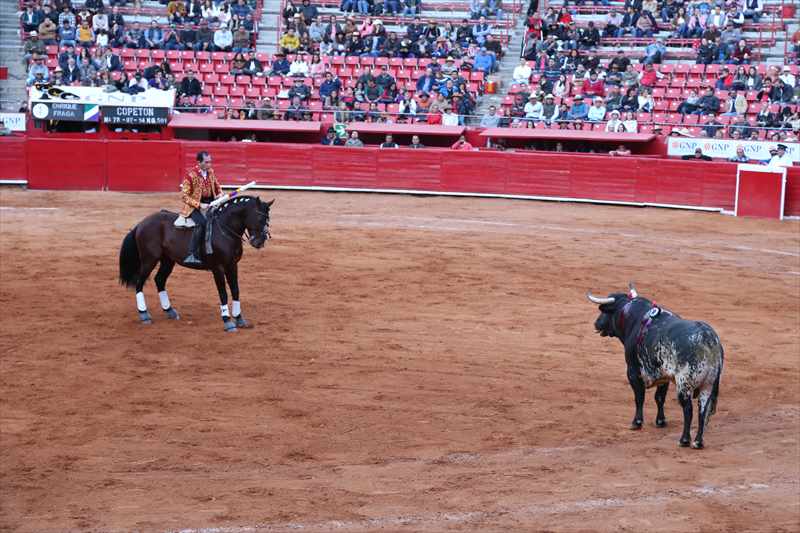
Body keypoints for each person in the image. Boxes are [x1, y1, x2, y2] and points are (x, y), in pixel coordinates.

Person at [174, 151, 223, 266]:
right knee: (202, 224)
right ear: (199, 162)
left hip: (210, 204)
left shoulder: (211, 172)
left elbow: (217, 186)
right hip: (193, 207)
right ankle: (192, 254)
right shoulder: (190, 175)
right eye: (206, 162)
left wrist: (220, 194)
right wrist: (199, 205)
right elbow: (184, 196)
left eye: (210, 162)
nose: (209, 164)